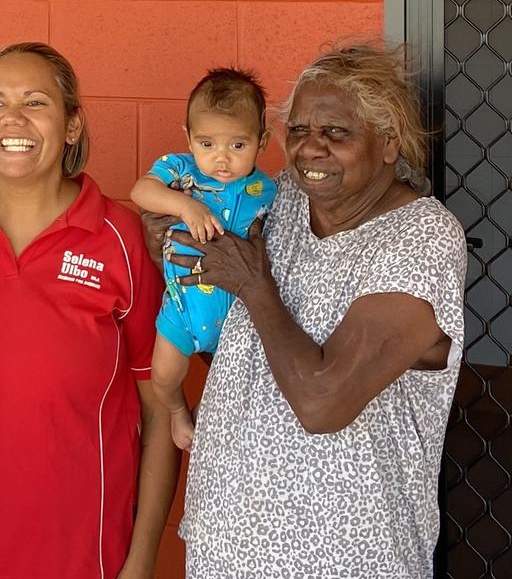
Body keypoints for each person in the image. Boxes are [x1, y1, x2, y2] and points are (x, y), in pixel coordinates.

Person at [172, 43, 466, 578]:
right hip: (226, 540)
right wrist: (173, 229)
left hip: (344, 555)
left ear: (388, 143)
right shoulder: (279, 199)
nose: (310, 150)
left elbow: (322, 401)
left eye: (336, 133)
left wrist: (255, 287)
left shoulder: (420, 237)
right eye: (300, 131)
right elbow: (186, 243)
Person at [0, 42, 177, 579]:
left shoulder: (119, 237)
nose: (13, 120)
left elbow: (161, 409)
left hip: (80, 552)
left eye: (36, 102)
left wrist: (140, 561)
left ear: (72, 124)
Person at [130, 69, 276, 449]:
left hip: (239, 317)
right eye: (207, 144)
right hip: (183, 306)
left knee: (241, 389)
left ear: (262, 142)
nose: (221, 159)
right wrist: (185, 206)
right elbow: (141, 191)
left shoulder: (267, 190)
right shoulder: (180, 170)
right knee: (162, 374)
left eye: (237, 146)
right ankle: (179, 413)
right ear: (189, 138)